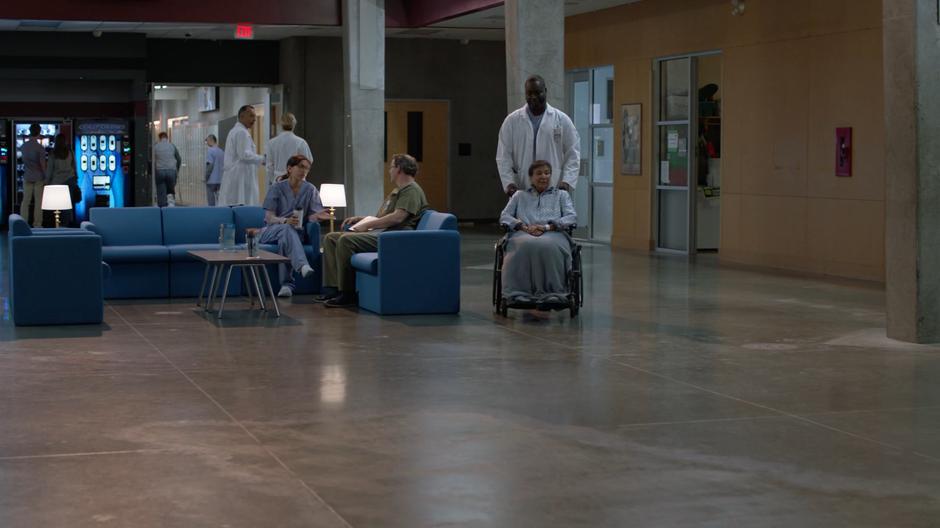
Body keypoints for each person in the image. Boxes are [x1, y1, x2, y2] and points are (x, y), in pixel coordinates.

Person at [318, 153, 428, 308]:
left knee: (346, 240)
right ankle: (333, 289)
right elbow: (383, 216)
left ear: (399, 169)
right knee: (331, 238)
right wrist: (361, 219)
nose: (389, 170)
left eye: (391, 166)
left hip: (393, 237)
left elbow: (397, 218)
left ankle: (348, 293)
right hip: (383, 233)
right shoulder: (398, 191)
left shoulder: (411, 191)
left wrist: (367, 226)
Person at [250, 155, 331, 298]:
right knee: (286, 230)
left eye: (307, 168)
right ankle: (301, 265)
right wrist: (284, 221)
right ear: (289, 168)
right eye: (300, 167)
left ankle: (286, 285)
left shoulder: (310, 189)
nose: (304, 171)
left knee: (285, 239)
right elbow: (269, 218)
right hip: (271, 230)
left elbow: (311, 216)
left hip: (294, 233)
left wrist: (317, 217)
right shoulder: (276, 188)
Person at [499, 160, 577, 308]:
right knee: (522, 246)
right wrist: (522, 226)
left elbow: (571, 217)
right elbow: (505, 216)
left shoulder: (561, 195)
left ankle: (554, 293)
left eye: (547, 173)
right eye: (539, 173)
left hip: (553, 233)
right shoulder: (519, 196)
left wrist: (547, 227)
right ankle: (518, 293)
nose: (544, 176)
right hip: (523, 232)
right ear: (531, 177)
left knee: (549, 246)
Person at [496, 74, 580, 196]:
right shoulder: (512, 121)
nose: (533, 97)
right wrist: (509, 183)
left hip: (554, 187)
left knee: (552, 214)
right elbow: (503, 157)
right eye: (529, 93)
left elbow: (573, 153)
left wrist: (566, 182)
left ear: (545, 91)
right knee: (522, 215)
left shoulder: (562, 120)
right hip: (522, 188)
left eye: (538, 92)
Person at [219, 105, 265, 206]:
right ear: (242, 116)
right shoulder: (241, 132)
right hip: (240, 177)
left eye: (255, 116)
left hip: (237, 176)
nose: (254, 119)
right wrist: (262, 159)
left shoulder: (237, 131)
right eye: (251, 116)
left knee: (234, 203)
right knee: (241, 204)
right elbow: (244, 155)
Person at [265, 112, 313, 186]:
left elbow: (269, 166)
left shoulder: (271, 143)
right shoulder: (300, 142)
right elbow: (308, 162)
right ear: (294, 125)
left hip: (278, 180)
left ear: (280, 125)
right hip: (297, 181)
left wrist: (275, 178)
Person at [45, 133, 79, 226]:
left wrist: (46, 183)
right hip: (70, 180)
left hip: (56, 182)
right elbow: (75, 166)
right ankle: (66, 224)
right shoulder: (70, 152)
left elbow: (49, 169)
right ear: (65, 141)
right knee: (68, 205)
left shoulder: (53, 154)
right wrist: (76, 178)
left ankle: (56, 224)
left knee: (56, 205)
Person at [20, 123, 47, 227]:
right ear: (39, 132)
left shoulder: (23, 146)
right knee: (38, 201)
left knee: (25, 201)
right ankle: (37, 224)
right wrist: (46, 177)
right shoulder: (40, 148)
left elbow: (23, 161)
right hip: (38, 177)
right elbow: (42, 165)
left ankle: (23, 222)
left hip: (27, 176)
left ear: (29, 131)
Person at [153, 131, 181, 207]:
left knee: (161, 191)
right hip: (171, 171)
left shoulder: (156, 146)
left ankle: (162, 208)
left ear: (159, 138)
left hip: (160, 171)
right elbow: (178, 159)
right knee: (170, 190)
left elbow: (152, 160)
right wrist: (177, 169)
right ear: (167, 137)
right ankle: (171, 205)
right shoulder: (172, 146)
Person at [204, 134, 224, 206]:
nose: (207, 143)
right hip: (220, 180)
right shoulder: (221, 151)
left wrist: (206, 177)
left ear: (210, 140)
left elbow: (210, 166)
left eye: (207, 141)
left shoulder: (210, 151)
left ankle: (212, 214)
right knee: (220, 200)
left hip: (211, 181)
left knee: (211, 202)